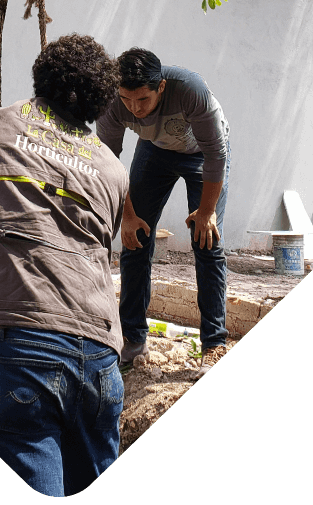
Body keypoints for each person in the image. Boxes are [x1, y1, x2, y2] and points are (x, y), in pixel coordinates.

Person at [0, 34, 129, 498]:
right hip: (102, 356)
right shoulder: (113, 169)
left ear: (42, 77)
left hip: (26, 348)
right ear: (101, 101)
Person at [95, 47, 231, 377]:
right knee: (134, 240)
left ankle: (214, 344)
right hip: (154, 153)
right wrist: (126, 216)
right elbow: (109, 163)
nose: (135, 109)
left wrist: (207, 211)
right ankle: (132, 339)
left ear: (162, 88)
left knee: (207, 243)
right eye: (127, 100)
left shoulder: (190, 89)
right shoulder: (112, 103)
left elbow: (216, 155)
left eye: (142, 100)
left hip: (202, 156)